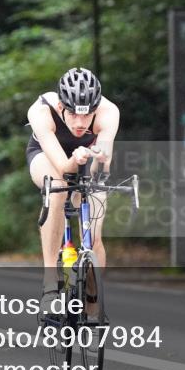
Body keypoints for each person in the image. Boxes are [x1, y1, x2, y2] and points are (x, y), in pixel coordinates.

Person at [26, 68, 119, 312]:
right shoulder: (41, 111)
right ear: (61, 108)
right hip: (48, 157)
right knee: (58, 187)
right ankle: (50, 282)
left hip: (87, 159)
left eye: (87, 115)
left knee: (94, 233)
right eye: (74, 115)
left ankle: (92, 298)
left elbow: (103, 162)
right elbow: (64, 168)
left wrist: (98, 157)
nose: (80, 123)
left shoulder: (109, 113)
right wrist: (75, 160)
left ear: (96, 109)